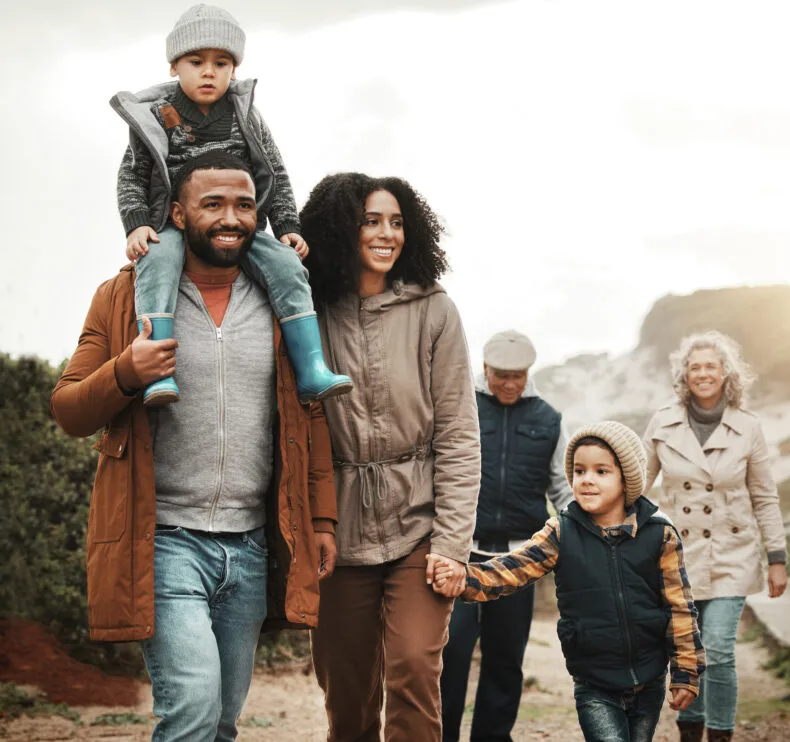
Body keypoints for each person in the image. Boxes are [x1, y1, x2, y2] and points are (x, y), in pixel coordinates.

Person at [50, 153, 339, 742]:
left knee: (223, 722)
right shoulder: (124, 296)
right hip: (164, 542)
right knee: (192, 710)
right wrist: (127, 371)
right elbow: (69, 408)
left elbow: (308, 426)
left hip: (252, 546)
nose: (231, 218)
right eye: (213, 204)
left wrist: (324, 518)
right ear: (178, 213)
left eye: (243, 205)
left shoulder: (283, 303)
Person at [299, 172, 481, 742]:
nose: (386, 234)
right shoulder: (308, 309)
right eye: (371, 221)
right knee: (346, 692)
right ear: (338, 229)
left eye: (397, 222)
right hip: (337, 527)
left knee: (414, 670)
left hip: (419, 523)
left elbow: (458, 433)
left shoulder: (434, 309)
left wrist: (452, 544)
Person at [111, 3, 351, 406]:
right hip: (174, 223)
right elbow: (132, 174)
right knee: (156, 262)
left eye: (221, 62)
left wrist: (287, 225)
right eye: (196, 61)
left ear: (233, 69)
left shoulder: (245, 114)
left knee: (287, 265)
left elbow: (274, 169)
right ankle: (158, 373)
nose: (209, 71)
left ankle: (311, 368)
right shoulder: (156, 115)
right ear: (174, 66)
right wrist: (137, 224)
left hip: (238, 224)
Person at [431, 421, 706, 742]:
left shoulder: (660, 534)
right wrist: (464, 578)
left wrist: (686, 671)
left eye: (601, 471)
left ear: (627, 479)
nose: (587, 479)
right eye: (579, 471)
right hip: (594, 682)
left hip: (650, 678)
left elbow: (680, 607)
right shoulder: (562, 532)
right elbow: (511, 569)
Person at [642, 330, 788, 742]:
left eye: (711, 366)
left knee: (720, 650)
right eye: (695, 367)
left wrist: (776, 557)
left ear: (725, 373)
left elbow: (764, 496)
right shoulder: (662, 422)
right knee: (687, 652)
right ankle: (691, 733)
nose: (703, 373)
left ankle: (720, 735)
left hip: (732, 553)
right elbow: (636, 484)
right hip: (679, 554)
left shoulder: (748, 427)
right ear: (684, 375)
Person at [440, 329, 574, 742]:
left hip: (520, 560)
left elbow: (561, 487)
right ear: (485, 369)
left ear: (528, 372)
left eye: (518, 375)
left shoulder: (549, 419)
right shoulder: (462, 406)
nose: (510, 383)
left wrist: (585, 529)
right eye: (501, 375)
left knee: (505, 658)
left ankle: (492, 738)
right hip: (461, 553)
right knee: (452, 651)